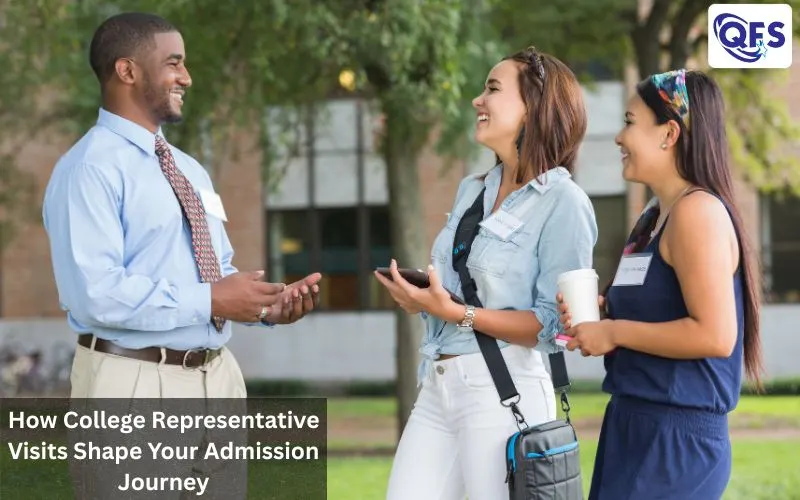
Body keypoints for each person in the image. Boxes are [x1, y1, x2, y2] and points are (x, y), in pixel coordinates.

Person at [42, 12, 321, 399]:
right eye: (174, 63)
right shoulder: (89, 169)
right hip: (133, 381)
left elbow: (216, 271)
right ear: (127, 71)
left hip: (218, 378)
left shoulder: (189, 169)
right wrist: (211, 299)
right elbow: (95, 294)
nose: (186, 77)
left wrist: (264, 307)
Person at [374, 46, 598, 499]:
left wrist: (458, 314)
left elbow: (552, 327)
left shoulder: (563, 202)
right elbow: (458, 291)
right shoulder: (473, 190)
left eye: (492, 89)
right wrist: (423, 300)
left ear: (534, 108)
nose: (478, 100)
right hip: (438, 384)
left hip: (503, 390)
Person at [557, 69, 764, 499]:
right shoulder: (654, 218)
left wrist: (613, 331)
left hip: (675, 443)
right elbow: (660, 316)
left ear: (669, 133)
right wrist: (600, 320)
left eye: (630, 122)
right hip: (633, 426)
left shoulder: (698, 214)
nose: (617, 137)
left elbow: (714, 335)